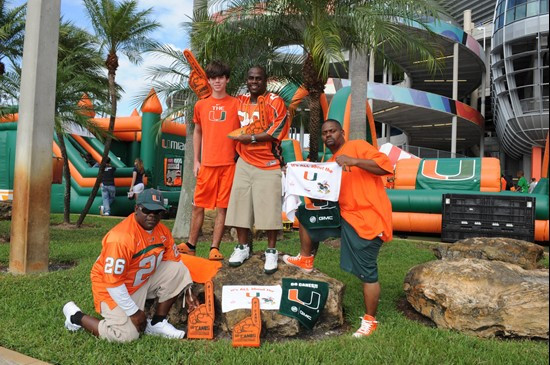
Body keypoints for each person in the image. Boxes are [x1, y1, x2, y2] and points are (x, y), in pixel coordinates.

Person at [283, 119, 393, 338]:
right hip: (342, 215)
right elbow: (317, 188)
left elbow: (385, 167)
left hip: (367, 218)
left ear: (342, 132)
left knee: (367, 271)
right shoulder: (331, 163)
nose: (328, 136)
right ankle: (306, 258)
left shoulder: (357, 146)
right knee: (305, 214)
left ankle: (370, 320)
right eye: (324, 133)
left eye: (332, 131)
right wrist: (295, 171)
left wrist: (353, 161)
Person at [63, 189, 199, 342]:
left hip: (138, 280)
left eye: (158, 212)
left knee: (178, 269)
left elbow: (175, 261)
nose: (152, 216)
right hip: (110, 289)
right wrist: (134, 313)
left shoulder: (162, 230)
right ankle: (76, 316)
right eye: (147, 210)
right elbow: (113, 283)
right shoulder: (121, 237)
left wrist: (187, 290)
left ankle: (157, 323)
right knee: (127, 336)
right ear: (136, 209)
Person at [225, 66, 289, 274]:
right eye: (251, 78)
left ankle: (271, 251)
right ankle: (242, 248)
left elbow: (277, 130)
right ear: (247, 80)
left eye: (258, 79)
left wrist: (251, 138)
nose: (254, 82)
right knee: (239, 206)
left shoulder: (275, 102)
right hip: (244, 161)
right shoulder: (241, 101)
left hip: (269, 162)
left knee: (269, 210)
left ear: (265, 81)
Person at [177, 61, 240, 261]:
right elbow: (198, 131)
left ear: (227, 79)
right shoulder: (201, 105)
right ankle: (191, 245)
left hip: (229, 165)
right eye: (213, 78)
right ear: (209, 80)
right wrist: (196, 160)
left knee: (222, 208)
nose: (217, 81)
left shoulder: (236, 104)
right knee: (198, 206)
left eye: (221, 77)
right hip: (207, 165)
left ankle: (214, 248)